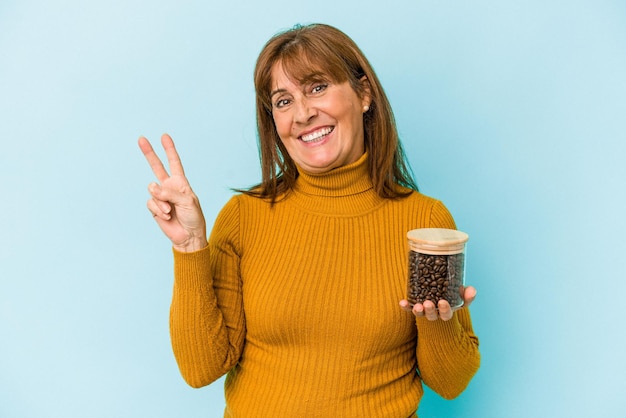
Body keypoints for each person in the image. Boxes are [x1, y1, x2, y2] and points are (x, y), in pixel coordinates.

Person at [139, 23, 480, 417]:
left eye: (318, 87)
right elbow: (201, 369)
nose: (302, 113)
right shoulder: (243, 216)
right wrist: (189, 247)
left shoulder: (424, 219)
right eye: (283, 101)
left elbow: (451, 383)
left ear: (364, 93)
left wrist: (438, 320)